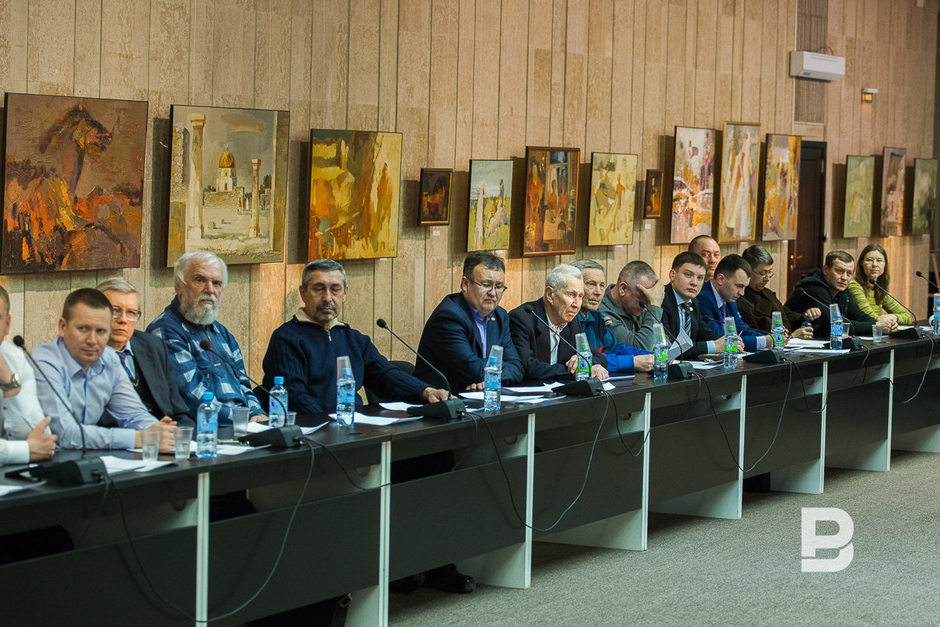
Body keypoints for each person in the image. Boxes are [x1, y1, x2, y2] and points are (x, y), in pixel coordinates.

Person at [262, 259, 449, 414]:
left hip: (352, 429)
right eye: (318, 289)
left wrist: (425, 391)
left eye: (335, 289)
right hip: (313, 434)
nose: (327, 298)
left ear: (344, 294)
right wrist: (331, 426)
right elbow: (295, 397)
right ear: (303, 293)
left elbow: (385, 376)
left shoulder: (353, 338)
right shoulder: (286, 338)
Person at [33, 289, 176, 451]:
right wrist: (139, 438)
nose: (92, 340)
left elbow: (134, 414)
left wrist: (159, 432)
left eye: (100, 331)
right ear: (62, 327)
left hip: (88, 456)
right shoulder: (45, 362)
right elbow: (65, 434)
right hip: (48, 457)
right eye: (83, 329)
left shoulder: (108, 358)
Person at [147, 251, 265, 425]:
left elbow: (244, 386)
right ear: (179, 286)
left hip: (242, 426)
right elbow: (193, 399)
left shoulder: (222, 333)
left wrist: (257, 413)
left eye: (216, 283)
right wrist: (246, 420)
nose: (209, 290)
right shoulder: (166, 331)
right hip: (206, 431)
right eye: (200, 280)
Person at [415, 252, 525, 391]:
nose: (493, 293)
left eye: (499, 287)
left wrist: (487, 379)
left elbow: (517, 367)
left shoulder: (500, 316)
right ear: (465, 284)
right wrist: (490, 373)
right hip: (444, 399)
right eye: (486, 285)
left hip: (480, 397)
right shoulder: (448, 317)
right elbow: (474, 371)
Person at [97, 278, 194, 427]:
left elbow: (179, 412)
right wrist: (149, 433)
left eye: (131, 312)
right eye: (115, 311)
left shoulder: (153, 346)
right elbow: (97, 423)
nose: (123, 320)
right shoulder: (86, 357)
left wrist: (180, 434)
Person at [509, 264, 608, 381]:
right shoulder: (523, 318)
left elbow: (599, 357)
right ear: (549, 294)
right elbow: (528, 367)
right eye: (571, 295)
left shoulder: (572, 321)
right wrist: (574, 371)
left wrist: (583, 361)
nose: (577, 304)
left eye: (580, 296)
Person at [570, 260, 653, 373]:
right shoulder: (567, 319)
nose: (598, 292)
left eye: (602, 285)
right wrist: (632, 362)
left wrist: (655, 356)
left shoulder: (595, 315)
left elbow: (616, 349)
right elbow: (586, 360)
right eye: (591, 284)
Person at [784, 250, 879, 337]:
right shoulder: (814, 287)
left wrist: (877, 324)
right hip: (792, 342)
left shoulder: (841, 288)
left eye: (849, 273)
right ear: (826, 270)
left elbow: (858, 315)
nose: (844, 278)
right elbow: (835, 324)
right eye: (839, 271)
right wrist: (876, 327)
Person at [738, 245, 821, 339]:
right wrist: (791, 337)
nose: (767, 278)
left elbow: (788, 317)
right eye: (763, 273)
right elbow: (755, 335)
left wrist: (806, 316)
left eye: (769, 272)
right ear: (747, 271)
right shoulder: (739, 299)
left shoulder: (768, 293)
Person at [695, 254, 773, 352]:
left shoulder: (729, 298)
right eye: (739, 286)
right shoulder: (702, 298)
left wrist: (769, 338)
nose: (742, 293)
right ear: (721, 279)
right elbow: (719, 338)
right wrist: (763, 341)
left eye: (744, 287)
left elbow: (742, 329)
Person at [0, 285, 47, 440]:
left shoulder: (16, 359)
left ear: (7, 324)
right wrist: (25, 449)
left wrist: (10, 385)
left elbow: (41, 434)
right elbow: (33, 445)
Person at [660, 252, 725, 358]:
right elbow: (672, 348)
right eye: (688, 275)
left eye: (700, 278)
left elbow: (704, 333)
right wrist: (715, 346)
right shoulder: (661, 300)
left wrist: (724, 342)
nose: (694, 282)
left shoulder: (693, 302)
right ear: (672, 275)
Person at [597, 260, 666, 350]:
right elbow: (640, 349)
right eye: (644, 298)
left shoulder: (640, 307)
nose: (648, 304)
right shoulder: (601, 311)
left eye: (651, 299)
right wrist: (655, 305)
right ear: (623, 289)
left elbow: (665, 345)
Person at [847, 243, 910, 330]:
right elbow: (868, 316)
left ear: (885, 264)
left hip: (877, 332)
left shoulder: (878, 288)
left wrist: (895, 317)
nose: (875, 264)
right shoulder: (854, 285)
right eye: (870, 260)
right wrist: (887, 322)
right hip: (862, 332)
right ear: (861, 263)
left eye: (879, 260)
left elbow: (908, 316)